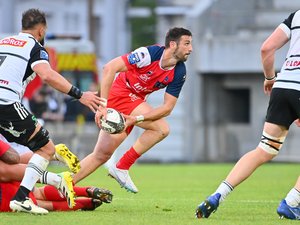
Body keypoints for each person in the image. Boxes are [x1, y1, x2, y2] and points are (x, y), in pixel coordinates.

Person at [195, 10, 300, 220]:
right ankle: (292, 201)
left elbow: (266, 48)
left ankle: (218, 195)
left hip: (282, 86)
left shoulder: (297, 15)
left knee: (265, 149)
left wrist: (270, 78)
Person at [0, 8, 102, 214]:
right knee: (44, 150)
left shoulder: (3, 42)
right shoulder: (35, 47)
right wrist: (80, 94)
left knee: (20, 153)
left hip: (6, 104)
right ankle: (22, 197)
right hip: (6, 103)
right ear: (41, 30)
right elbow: (47, 75)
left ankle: (55, 156)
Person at [73, 27, 193, 193]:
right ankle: (122, 166)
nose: (190, 49)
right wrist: (103, 105)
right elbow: (109, 68)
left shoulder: (179, 72)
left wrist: (134, 119)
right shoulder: (148, 54)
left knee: (101, 155)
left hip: (135, 102)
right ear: (173, 44)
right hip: (121, 92)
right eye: (186, 44)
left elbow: (167, 108)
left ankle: (62, 184)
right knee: (162, 129)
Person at [0, 181, 113, 212]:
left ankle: (84, 204)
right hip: (5, 181)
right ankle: (86, 190)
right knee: (38, 193)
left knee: (43, 204)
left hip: (3, 202)